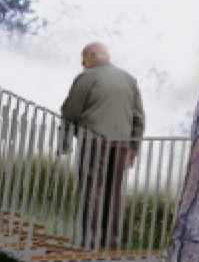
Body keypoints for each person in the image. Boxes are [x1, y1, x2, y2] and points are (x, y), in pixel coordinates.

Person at [59, 42, 145, 250]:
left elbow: (70, 111)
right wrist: (133, 150)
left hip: (94, 142)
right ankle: (110, 244)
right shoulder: (129, 80)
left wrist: (64, 143)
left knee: (92, 191)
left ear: (93, 55)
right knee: (113, 194)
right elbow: (139, 118)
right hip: (122, 145)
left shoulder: (87, 78)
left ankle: (90, 244)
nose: (82, 63)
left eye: (83, 58)